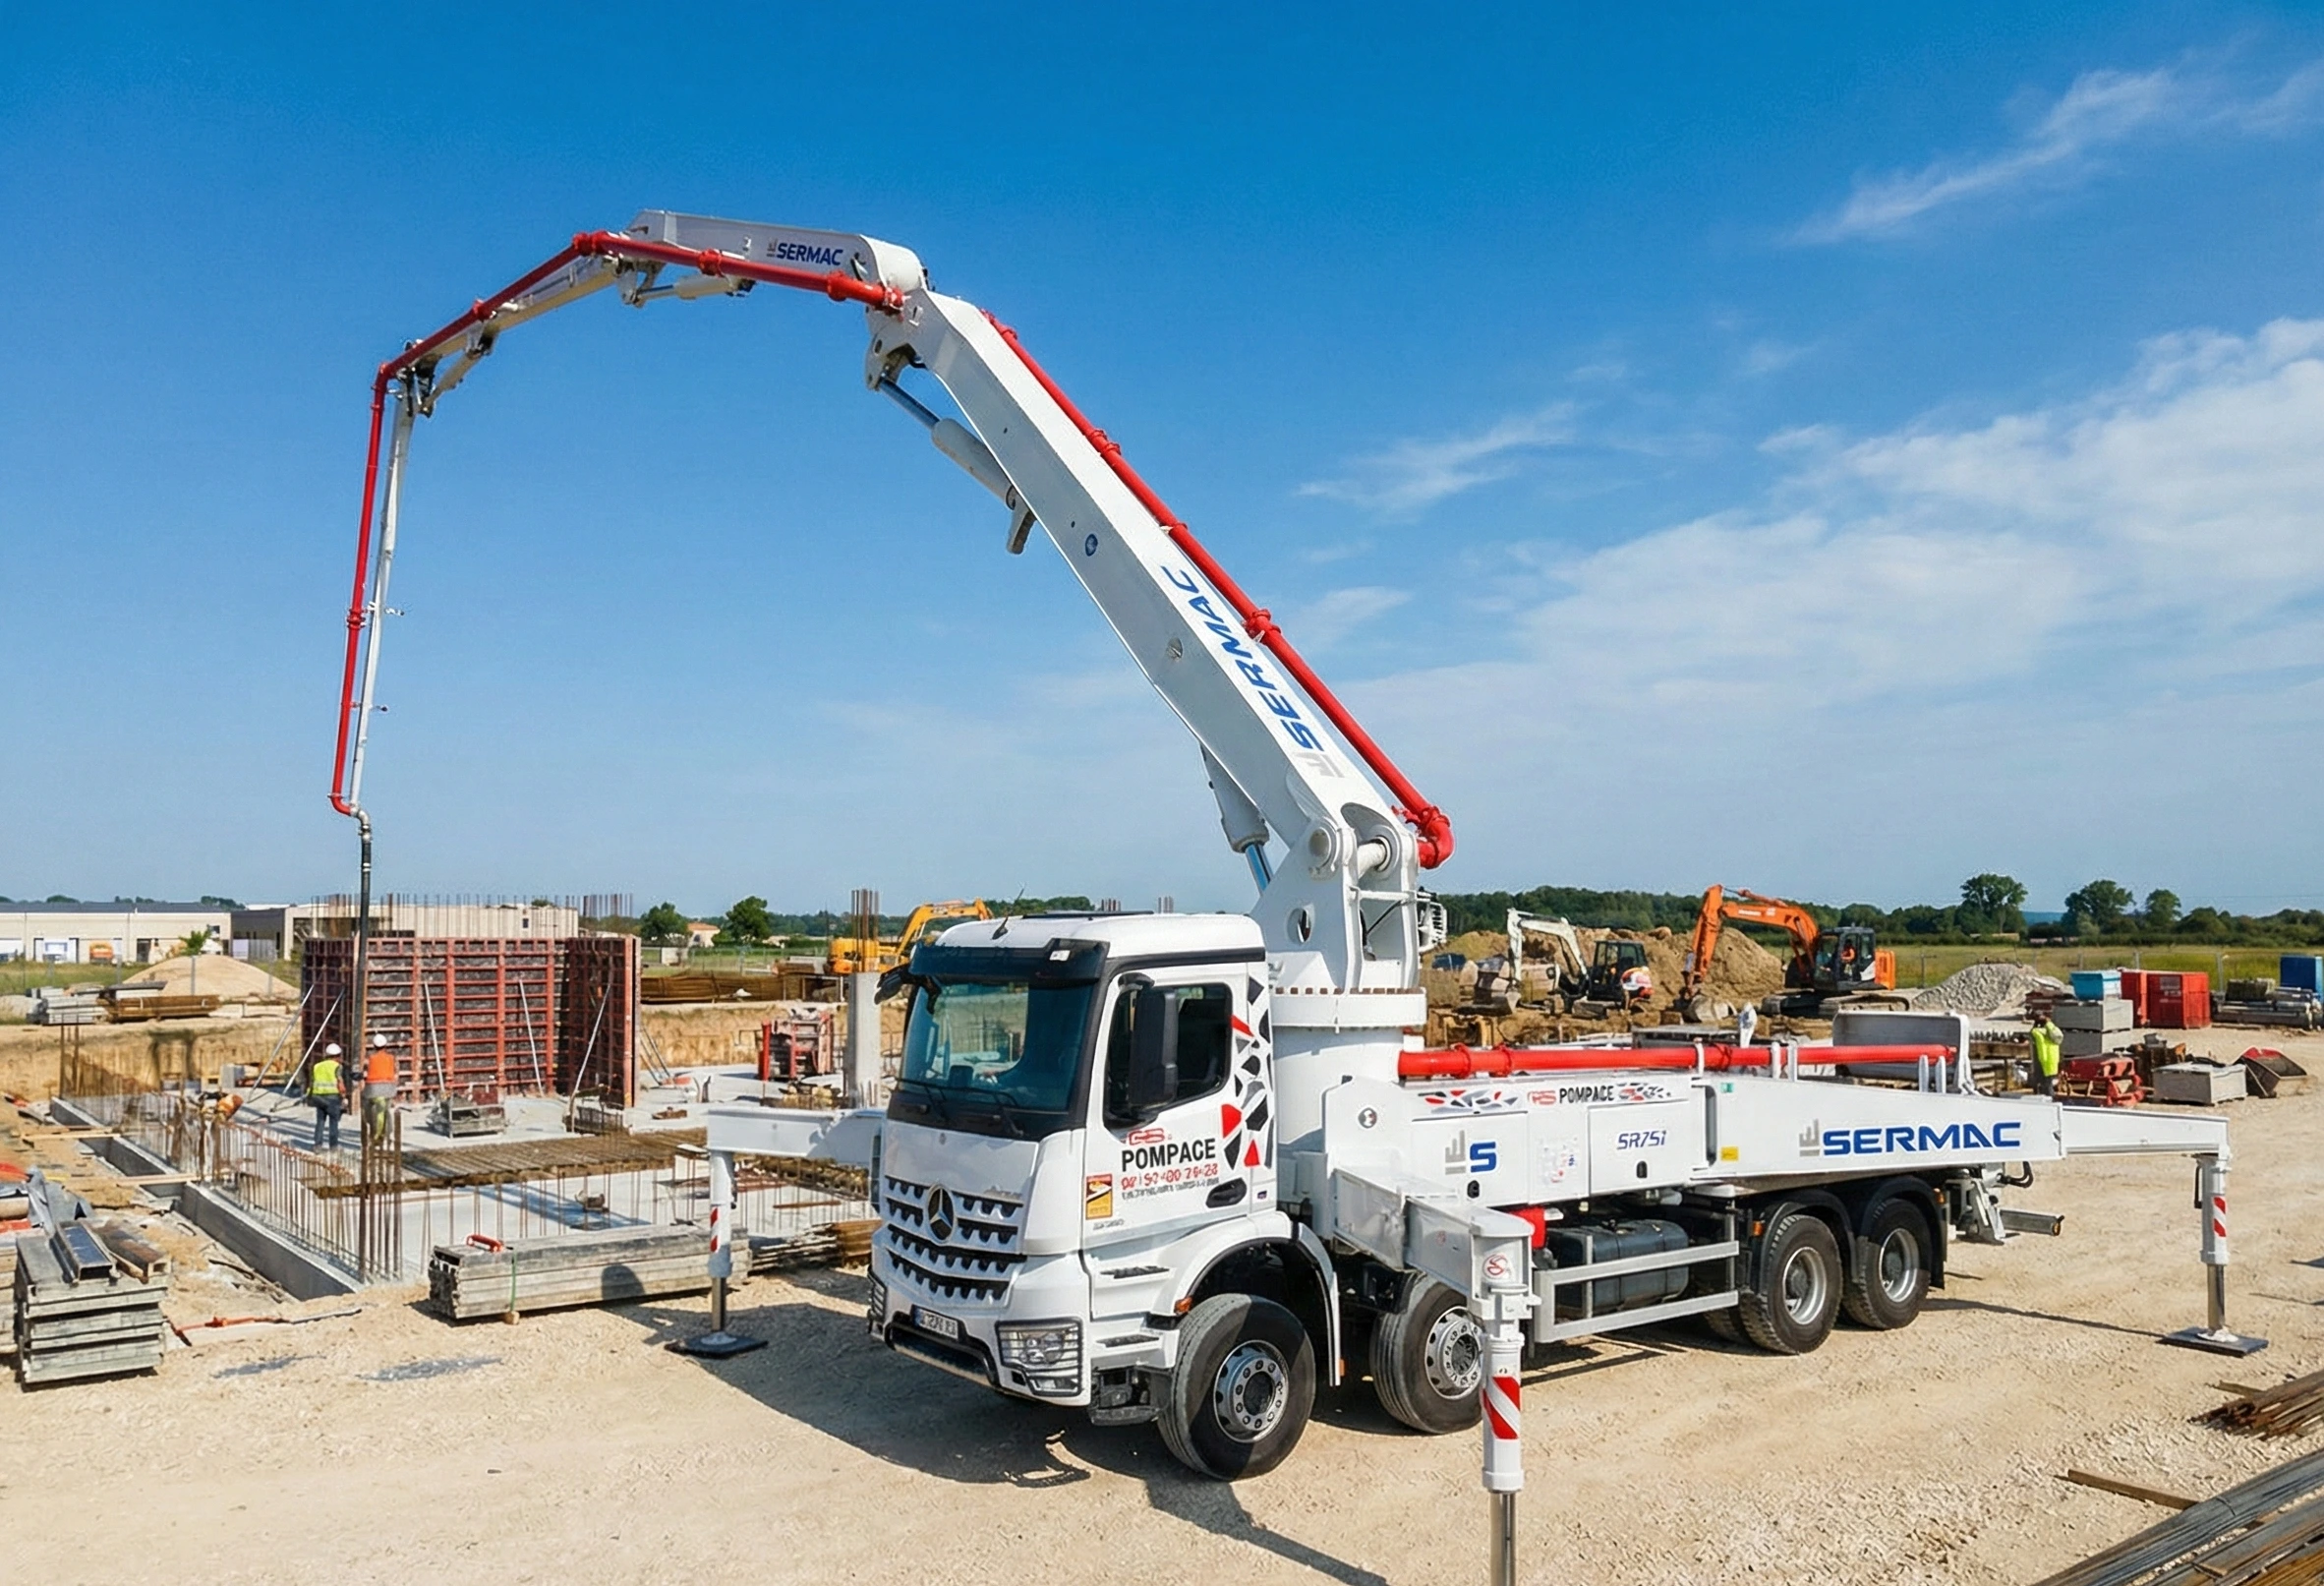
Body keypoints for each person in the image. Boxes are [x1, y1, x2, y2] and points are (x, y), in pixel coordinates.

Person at [309, 1042, 347, 1150]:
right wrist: (343, 1096)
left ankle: (317, 1145)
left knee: (320, 1121)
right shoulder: (337, 1067)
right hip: (332, 1098)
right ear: (338, 1055)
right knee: (333, 1122)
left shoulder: (317, 1066)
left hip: (318, 1097)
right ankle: (334, 1146)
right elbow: (340, 1083)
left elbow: (312, 1082)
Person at [362, 1033, 399, 1145]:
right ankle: (388, 1133)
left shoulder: (370, 1059)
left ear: (374, 1046)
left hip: (372, 1089)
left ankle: (372, 1130)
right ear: (385, 1046)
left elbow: (365, 1073)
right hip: (388, 1088)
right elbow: (396, 1072)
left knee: (367, 1107)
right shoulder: (391, 1058)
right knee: (386, 1110)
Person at [2027, 1013, 2063, 1096]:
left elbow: (2032, 1034)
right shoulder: (2053, 1032)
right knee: (2048, 1084)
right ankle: (2050, 1100)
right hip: (2052, 1062)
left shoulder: (2037, 1033)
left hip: (2042, 1062)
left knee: (2044, 1085)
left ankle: (2047, 1102)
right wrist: (2048, 1022)